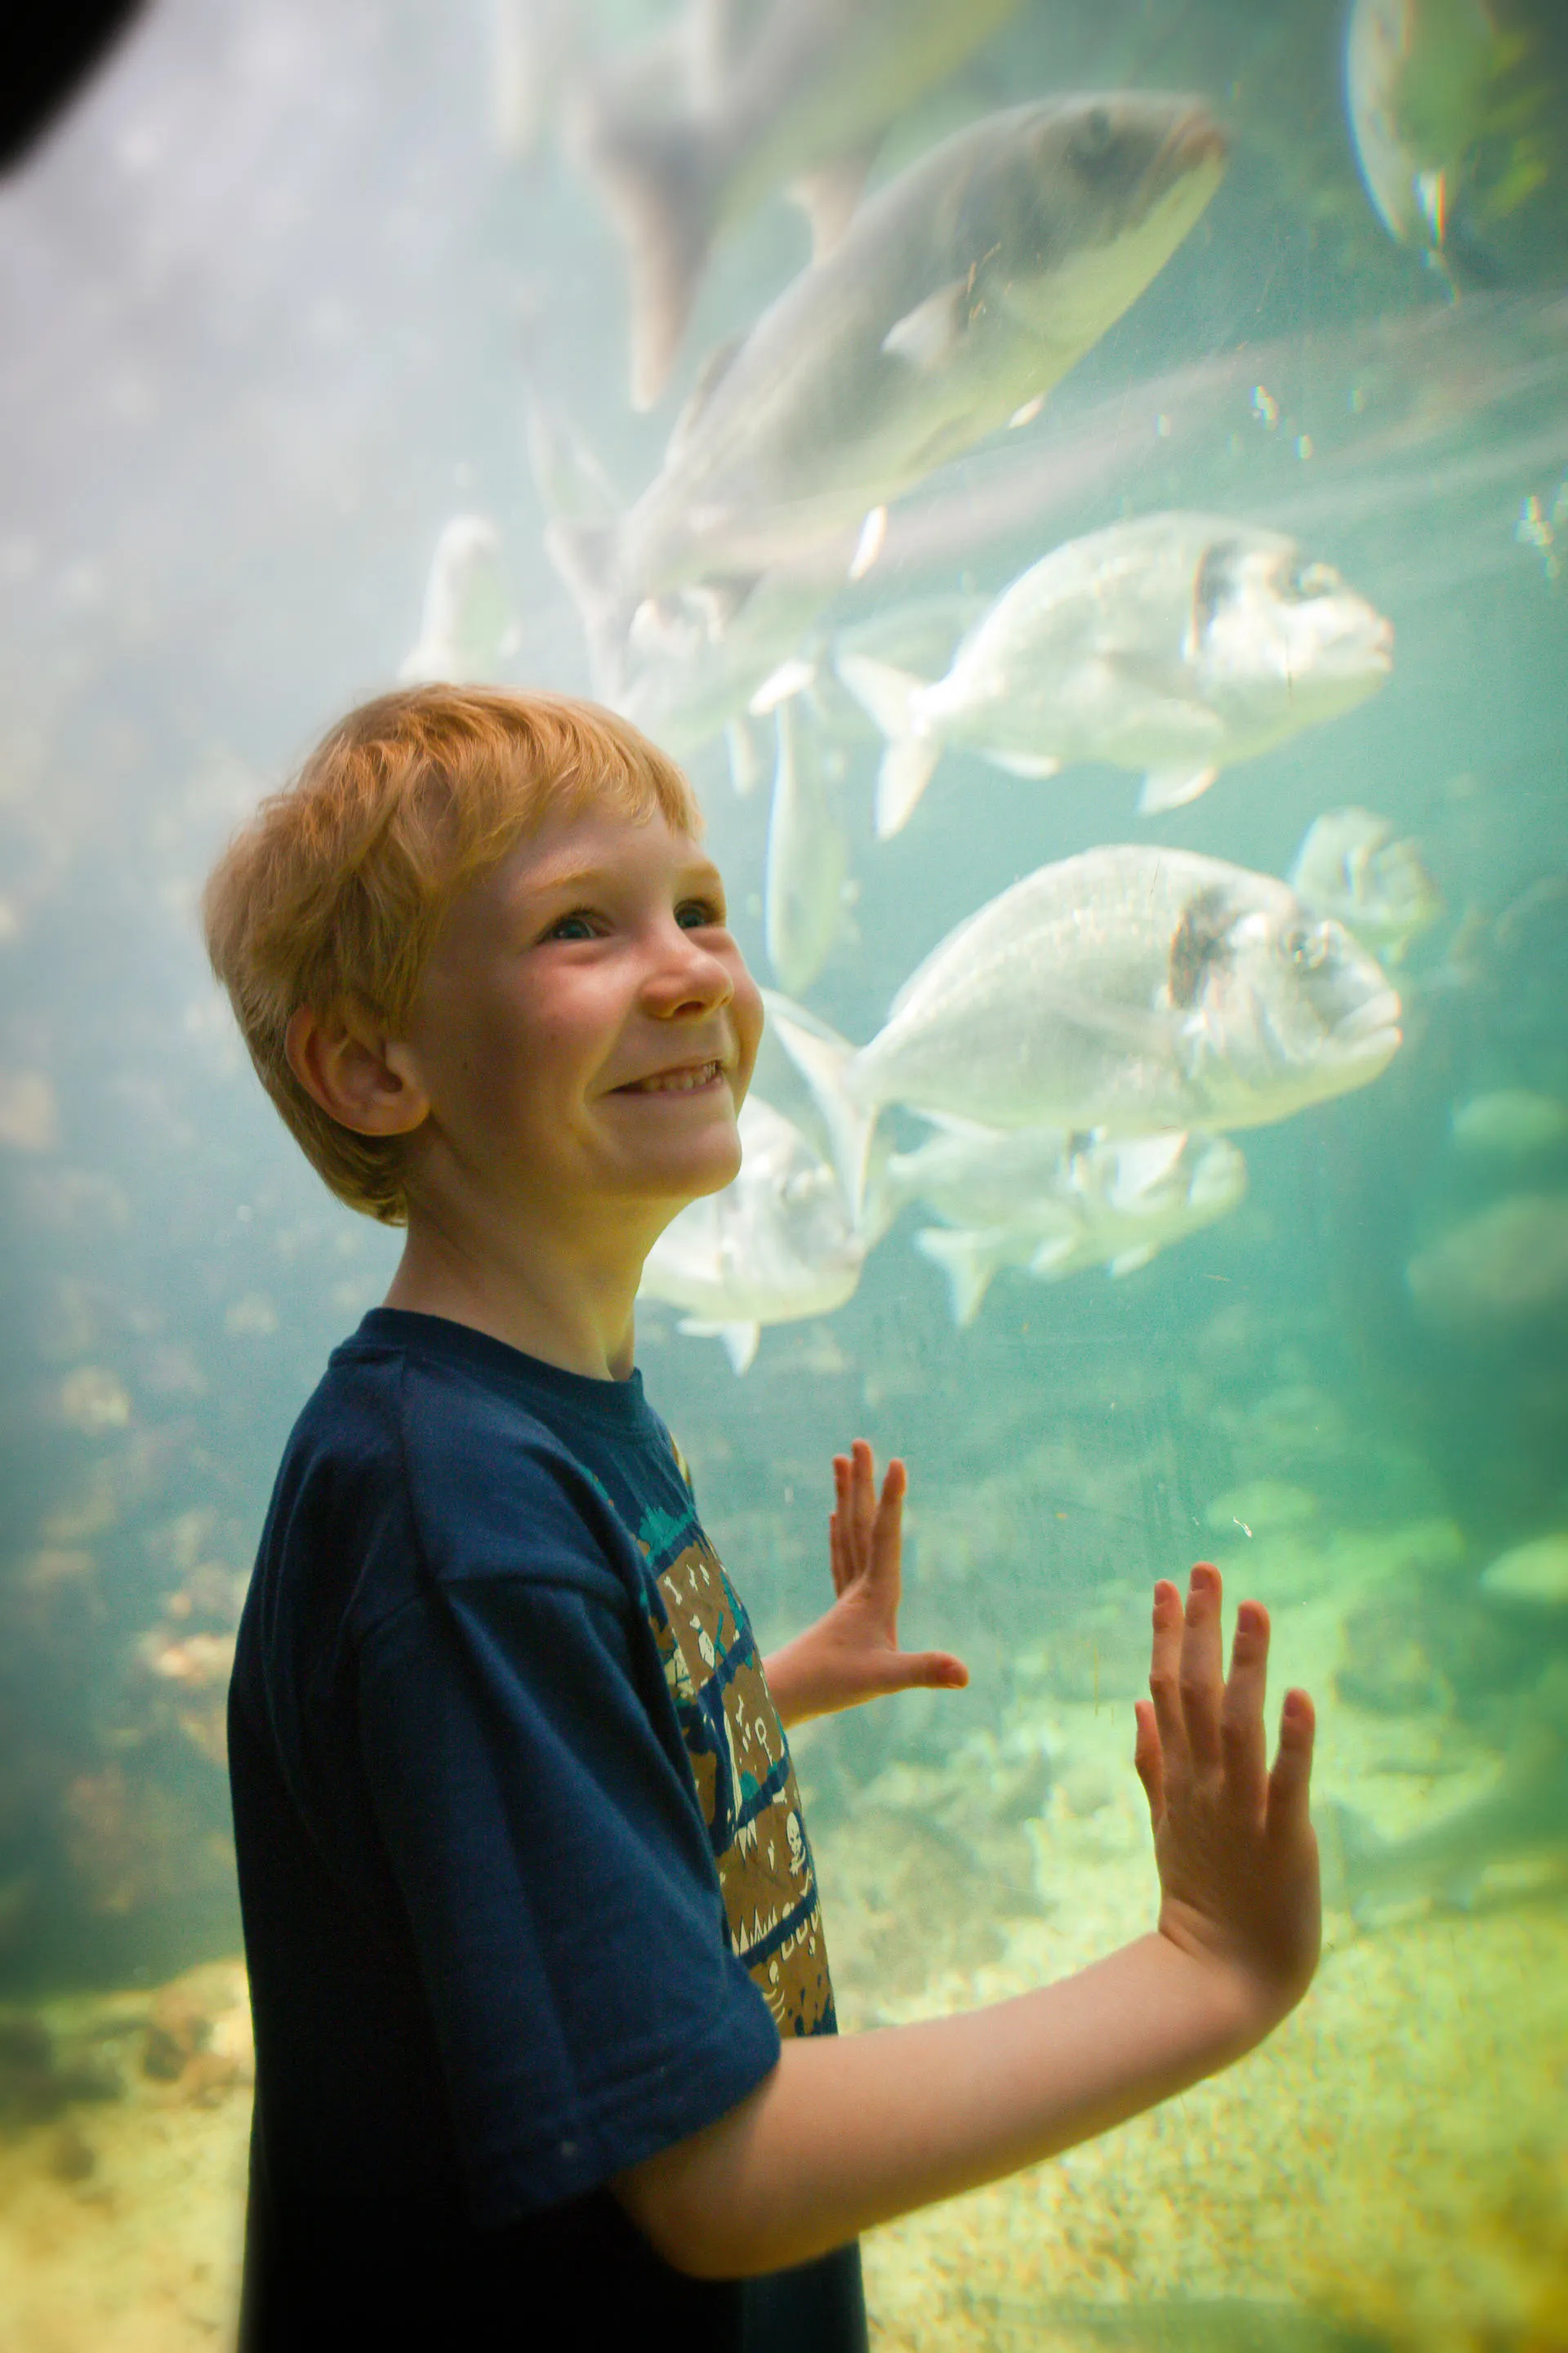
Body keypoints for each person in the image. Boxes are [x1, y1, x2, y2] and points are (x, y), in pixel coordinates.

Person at [203, 684, 1320, 2352]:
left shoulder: (519, 1417)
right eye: (583, 925)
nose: (696, 972)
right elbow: (718, 2173)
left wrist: (743, 1693)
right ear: (374, 1065)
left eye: (702, 910)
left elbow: (468, 1784)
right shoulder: (462, 1511)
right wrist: (1205, 1971)